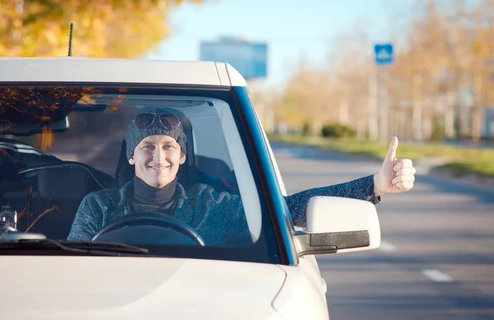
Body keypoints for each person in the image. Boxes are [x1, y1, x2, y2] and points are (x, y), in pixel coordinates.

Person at [67, 108, 416, 245]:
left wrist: (375, 184)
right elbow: (75, 268)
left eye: (168, 146)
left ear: (183, 155)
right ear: (131, 154)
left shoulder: (212, 205)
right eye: (146, 146)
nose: (158, 156)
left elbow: (287, 209)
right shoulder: (97, 207)